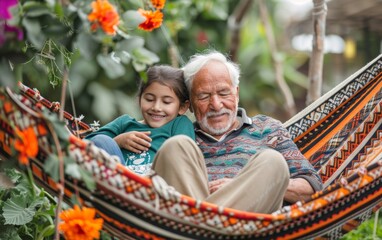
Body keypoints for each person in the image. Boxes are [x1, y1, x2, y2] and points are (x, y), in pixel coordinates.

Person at [150, 51, 323, 214]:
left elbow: (311, 188)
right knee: (175, 146)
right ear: (190, 105)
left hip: (252, 229)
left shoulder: (267, 129)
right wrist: (122, 141)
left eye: (224, 93)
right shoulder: (183, 134)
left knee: (273, 162)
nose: (216, 104)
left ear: (237, 94)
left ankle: (204, 227)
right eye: (204, 96)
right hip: (185, 228)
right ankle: (207, 228)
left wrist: (247, 186)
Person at [85, 65, 195, 176]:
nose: (156, 107)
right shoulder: (124, 123)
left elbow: (185, 158)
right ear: (139, 100)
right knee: (101, 140)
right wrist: (119, 141)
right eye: (149, 99)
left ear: (182, 107)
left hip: (157, 184)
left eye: (166, 102)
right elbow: (85, 144)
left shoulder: (179, 124)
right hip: (119, 181)